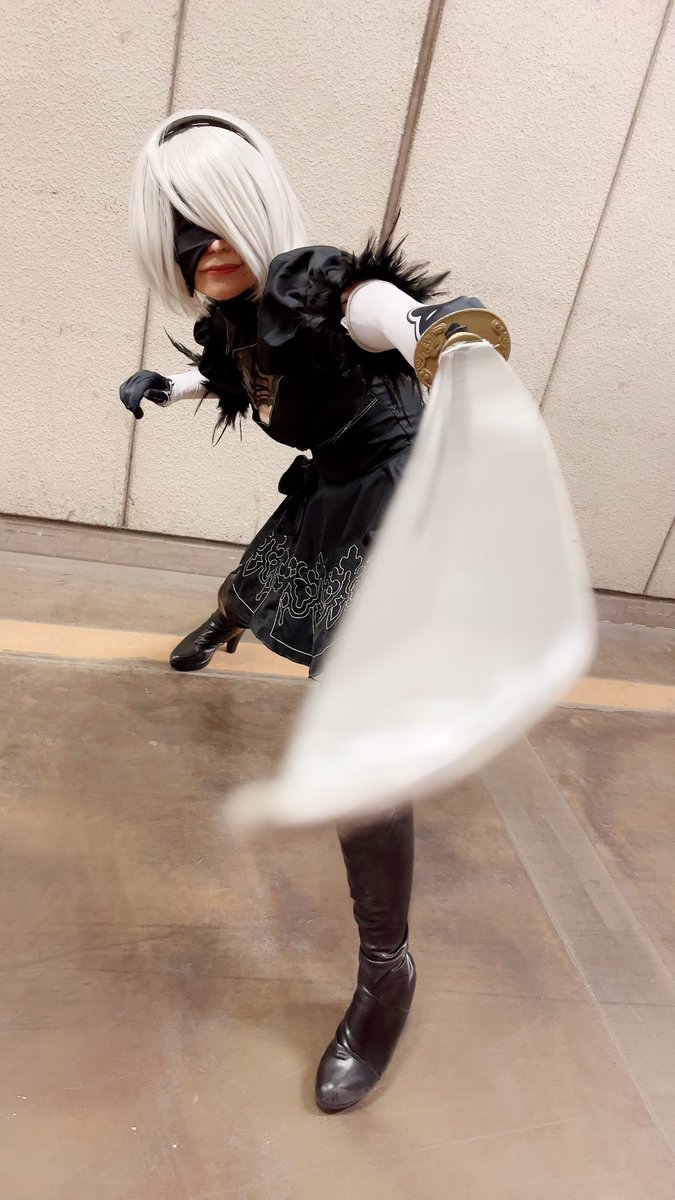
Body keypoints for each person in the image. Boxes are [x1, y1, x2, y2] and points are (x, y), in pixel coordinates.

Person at [120, 109, 474, 1112]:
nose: (205, 246)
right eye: (180, 229)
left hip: (401, 504)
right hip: (334, 487)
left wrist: (439, 329)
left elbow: (383, 311)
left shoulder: (316, 287)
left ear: (252, 206)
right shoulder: (238, 314)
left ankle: (386, 971)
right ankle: (228, 621)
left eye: (216, 217)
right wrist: (170, 386)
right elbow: (238, 370)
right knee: (258, 579)